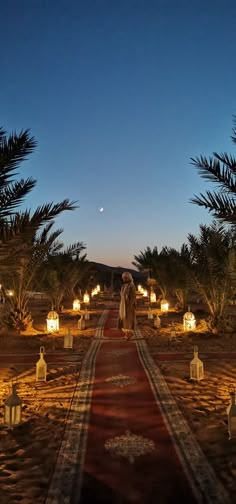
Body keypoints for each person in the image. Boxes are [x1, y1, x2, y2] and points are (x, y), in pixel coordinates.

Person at [118, 271, 136, 340]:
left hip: (129, 306)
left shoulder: (132, 286)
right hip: (123, 304)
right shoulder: (123, 285)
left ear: (128, 278)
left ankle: (129, 334)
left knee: (129, 320)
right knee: (124, 319)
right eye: (123, 278)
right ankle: (126, 333)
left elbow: (133, 297)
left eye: (125, 278)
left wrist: (130, 306)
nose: (124, 279)